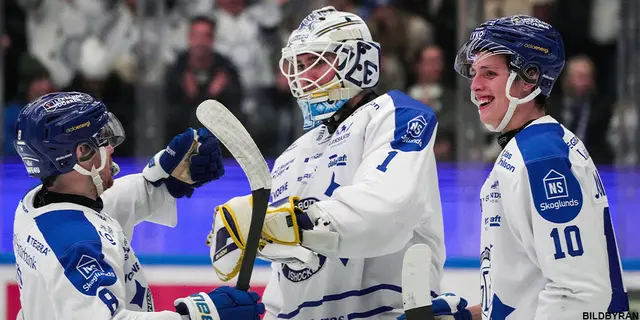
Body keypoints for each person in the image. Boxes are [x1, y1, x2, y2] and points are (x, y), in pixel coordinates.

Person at [207, 6, 446, 319]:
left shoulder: (395, 115)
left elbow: (386, 211)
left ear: (357, 62)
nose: (304, 78)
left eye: (316, 63)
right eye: (299, 66)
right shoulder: (291, 154)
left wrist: (284, 223)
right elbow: (288, 274)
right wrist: (250, 238)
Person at [414, 15, 629, 320]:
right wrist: (472, 314)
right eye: (475, 73)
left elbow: (579, 294)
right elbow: (530, 290)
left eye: (489, 73)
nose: (475, 86)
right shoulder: (531, 147)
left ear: (529, 78)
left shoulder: (542, 157)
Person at [12, 92, 265, 319]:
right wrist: (198, 315)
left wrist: (164, 181)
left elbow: (97, 213)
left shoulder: (35, 207)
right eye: (100, 139)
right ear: (82, 153)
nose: (110, 146)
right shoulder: (77, 248)